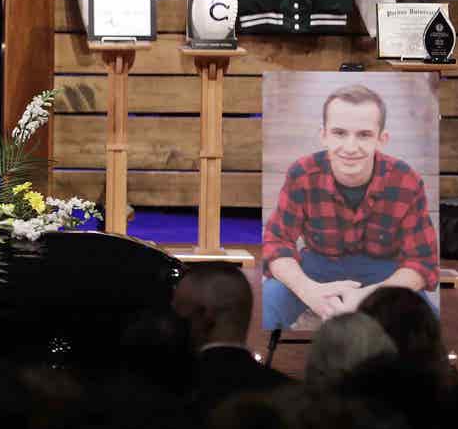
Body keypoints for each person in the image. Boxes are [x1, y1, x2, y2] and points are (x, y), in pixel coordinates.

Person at [261, 84, 438, 329]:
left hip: (385, 273)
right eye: (339, 133)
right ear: (323, 135)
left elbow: (423, 260)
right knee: (268, 301)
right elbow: (276, 242)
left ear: (381, 139)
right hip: (318, 265)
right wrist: (308, 291)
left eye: (364, 135)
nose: (351, 147)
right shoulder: (302, 174)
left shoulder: (406, 180)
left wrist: (372, 297)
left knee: (429, 322)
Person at [171, 264, 290, 412]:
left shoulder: (170, 395)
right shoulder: (293, 397)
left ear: (205, 315)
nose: (172, 320)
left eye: (178, 310)